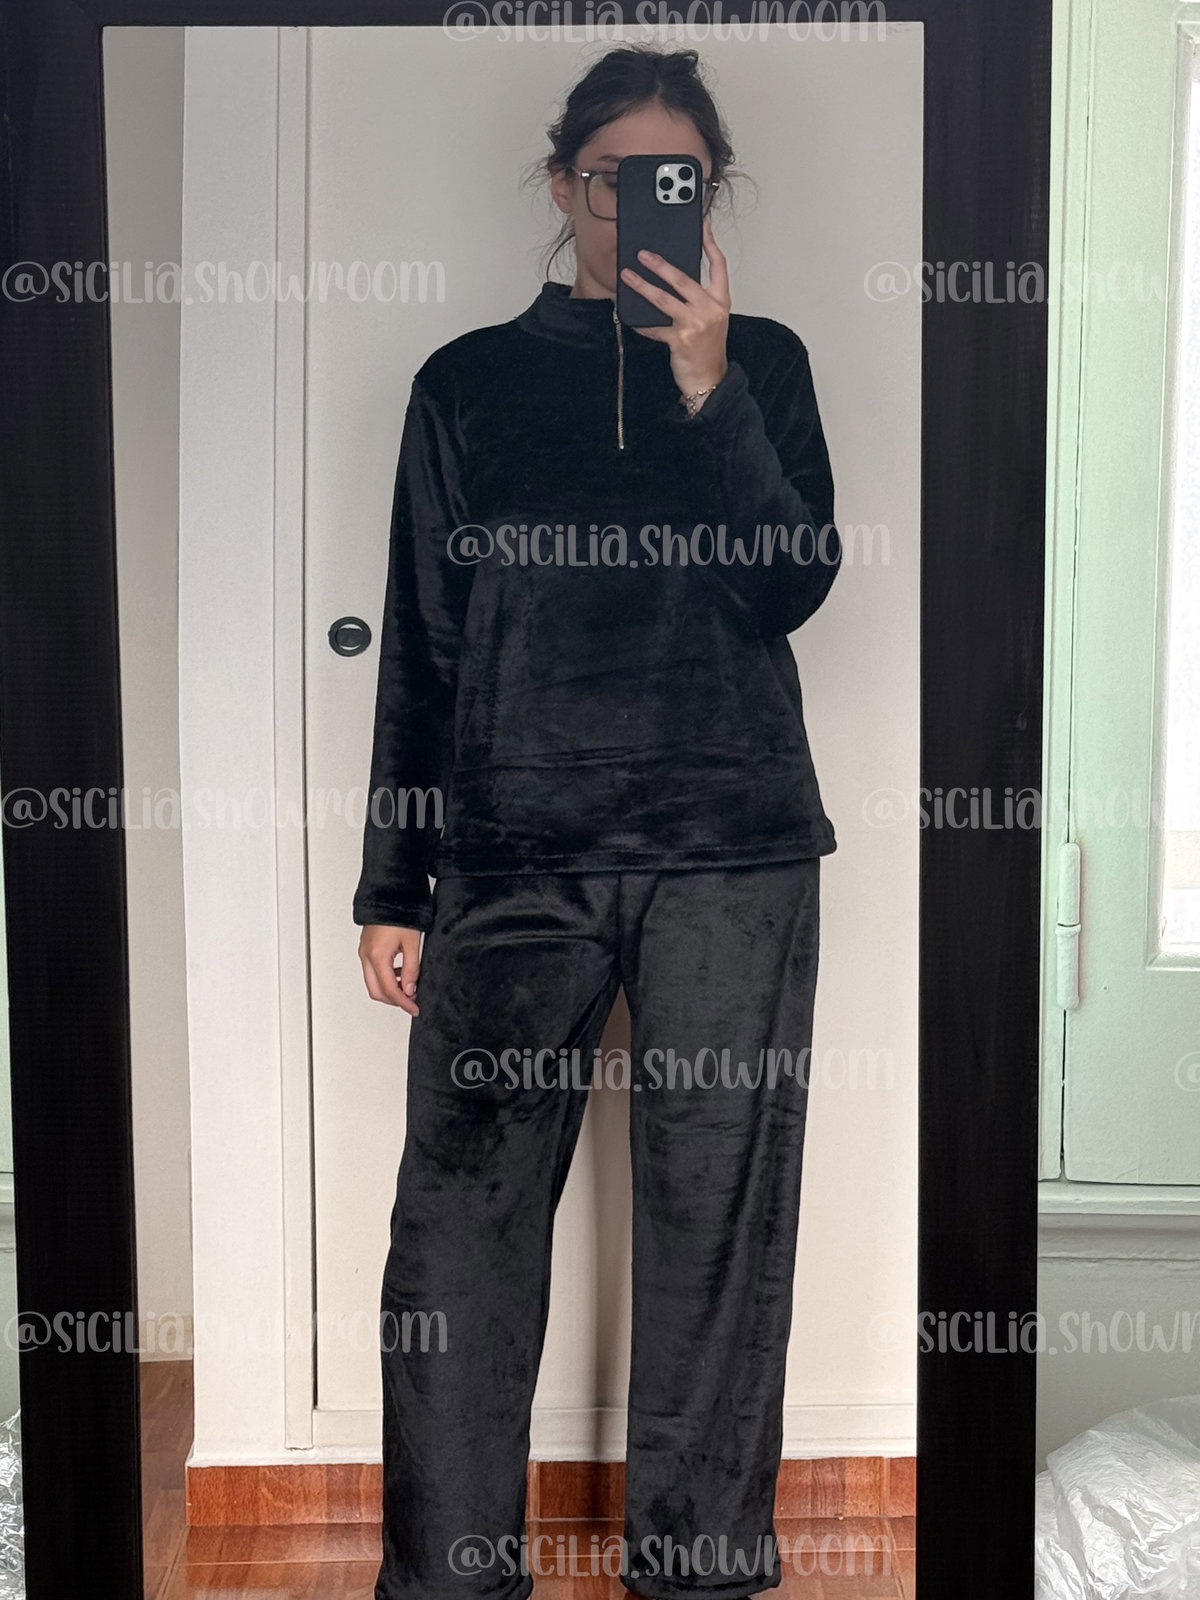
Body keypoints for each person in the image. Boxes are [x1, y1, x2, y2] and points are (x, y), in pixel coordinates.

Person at [353, 43, 842, 1600]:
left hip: (731, 853)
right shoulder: (464, 386)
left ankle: (699, 1568)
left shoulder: (762, 366)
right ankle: (449, 1576)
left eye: (674, 179)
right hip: (514, 859)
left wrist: (708, 388)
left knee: (716, 1225)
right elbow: (424, 642)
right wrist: (395, 882)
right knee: (463, 1226)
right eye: (615, 175)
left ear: (711, 193)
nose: (640, 203)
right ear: (567, 184)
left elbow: (792, 585)